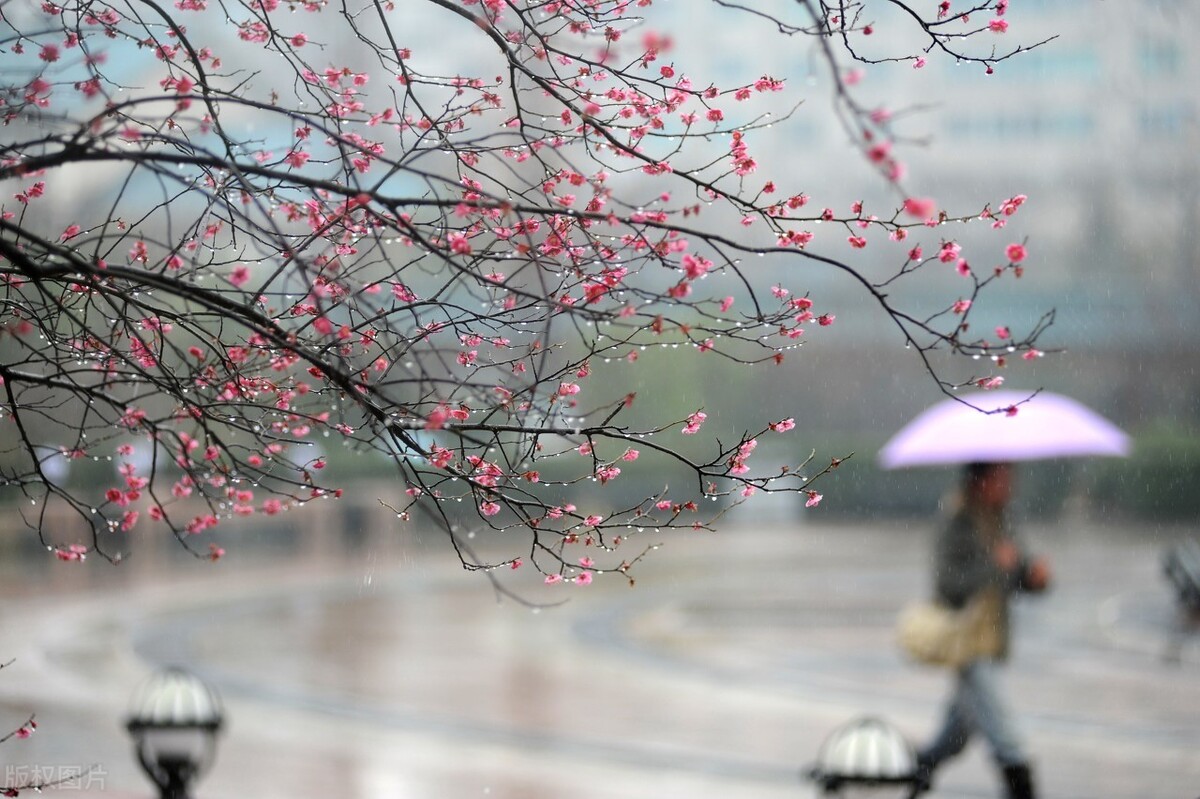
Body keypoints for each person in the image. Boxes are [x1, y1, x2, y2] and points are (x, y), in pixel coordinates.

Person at [915, 462, 1052, 799]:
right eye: (1000, 477)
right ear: (979, 481)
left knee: (961, 726)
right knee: (999, 722)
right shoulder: (957, 520)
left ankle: (918, 766)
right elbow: (948, 584)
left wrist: (1033, 577)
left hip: (994, 636)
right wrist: (994, 565)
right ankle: (1020, 780)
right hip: (966, 639)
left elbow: (1015, 574)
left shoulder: (1004, 518)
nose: (1008, 484)